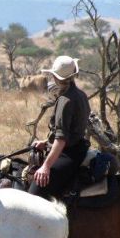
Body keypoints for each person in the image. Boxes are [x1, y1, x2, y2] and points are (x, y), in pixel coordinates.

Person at [29, 55, 90, 199]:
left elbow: (62, 139)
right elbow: (73, 130)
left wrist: (46, 166)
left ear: (56, 78)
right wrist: (47, 142)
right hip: (80, 148)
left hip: (68, 154)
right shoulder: (81, 94)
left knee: (34, 195)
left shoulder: (65, 100)